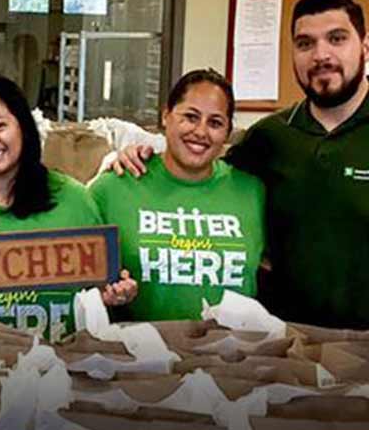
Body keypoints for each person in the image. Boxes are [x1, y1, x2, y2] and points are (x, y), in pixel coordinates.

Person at [112, 0, 369, 328]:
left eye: (337, 39)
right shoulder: (269, 137)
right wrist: (137, 154)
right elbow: (201, 170)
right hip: (285, 345)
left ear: (364, 44)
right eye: (305, 43)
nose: (321, 55)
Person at [0, 77, 136, 342]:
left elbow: (106, 286)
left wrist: (115, 295)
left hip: (64, 369)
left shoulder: (74, 200)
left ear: (23, 129)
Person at [91, 69, 264, 322]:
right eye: (190, 117)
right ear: (166, 116)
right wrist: (106, 293)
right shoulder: (112, 187)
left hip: (231, 355)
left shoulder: (253, 192)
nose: (201, 132)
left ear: (227, 133)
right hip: (139, 353)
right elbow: (77, 281)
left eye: (215, 123)